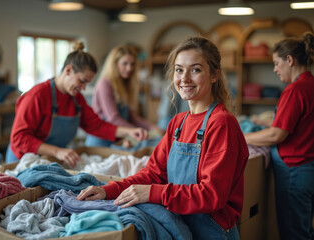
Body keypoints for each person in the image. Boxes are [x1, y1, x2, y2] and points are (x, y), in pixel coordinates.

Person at [77, 36, 249, 239]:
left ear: (214, 75)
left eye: (195, 69)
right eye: (179, 69)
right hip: (181, 227)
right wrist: (109, 190)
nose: (184, 78)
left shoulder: (221, 123)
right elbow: (152, 174)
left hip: (211, 232)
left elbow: (212, 196)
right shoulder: (178, 122)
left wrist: (152, 193)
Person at [6, 42, 148, 166]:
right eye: (82, 81)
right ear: (68, 70)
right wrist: (57, 151)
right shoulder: (36, 96)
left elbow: (96, 126)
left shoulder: (76, 99)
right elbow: (19, 138)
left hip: (48, 160)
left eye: (87, 83)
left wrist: (128, 131)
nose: (84, 88)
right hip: (22, 162)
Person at [244, 32, 314, 240]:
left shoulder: (295, 90)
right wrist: (266, 122)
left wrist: (240, 137)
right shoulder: (310, 85)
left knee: (294, 233)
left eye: (276, 63)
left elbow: (276, 135)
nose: (274, 69)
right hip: (307, 166)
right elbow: (300, 123)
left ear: (290, 60)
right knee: (304, 228)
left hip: (294, 169)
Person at [85, 45, 164, 148]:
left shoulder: (124, 85)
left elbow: (131, 117)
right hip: (100, 142)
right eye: (125, 64)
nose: (129, 68)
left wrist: (152, 127)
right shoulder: (105, 83)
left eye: (132, 64)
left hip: (117, 140)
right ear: (114, 64)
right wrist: (137, 131)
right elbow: (113, 118)